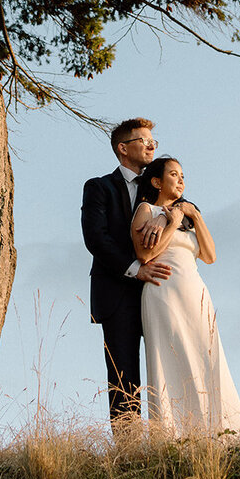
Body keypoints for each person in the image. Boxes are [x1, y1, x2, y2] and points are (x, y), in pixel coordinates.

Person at [131, 155, 240, 440]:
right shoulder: (146, 211)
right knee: (171, 357)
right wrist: (170, 223)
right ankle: (175, 437)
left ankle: (220, 434)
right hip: (163, 291)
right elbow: (145, 254)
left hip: (195, 290)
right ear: (157, 181)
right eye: (174, 174)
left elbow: (209, 256)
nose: (181, 179)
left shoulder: (189, 216)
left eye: (183, 174)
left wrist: (193, 216)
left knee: (207, 356)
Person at [81, 118, 172, 427]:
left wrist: (164, 219)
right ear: (123, 148)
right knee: (123, 374)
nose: (151, 145)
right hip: (117, 292)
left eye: (153, 142)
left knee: (169, 363)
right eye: (143, 140)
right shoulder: (98, 187)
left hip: (161, 290)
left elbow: (184, 205)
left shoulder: (159, 182)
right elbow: (96, 238)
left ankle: (177, 437)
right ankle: (130, 451)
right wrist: (136, 269)